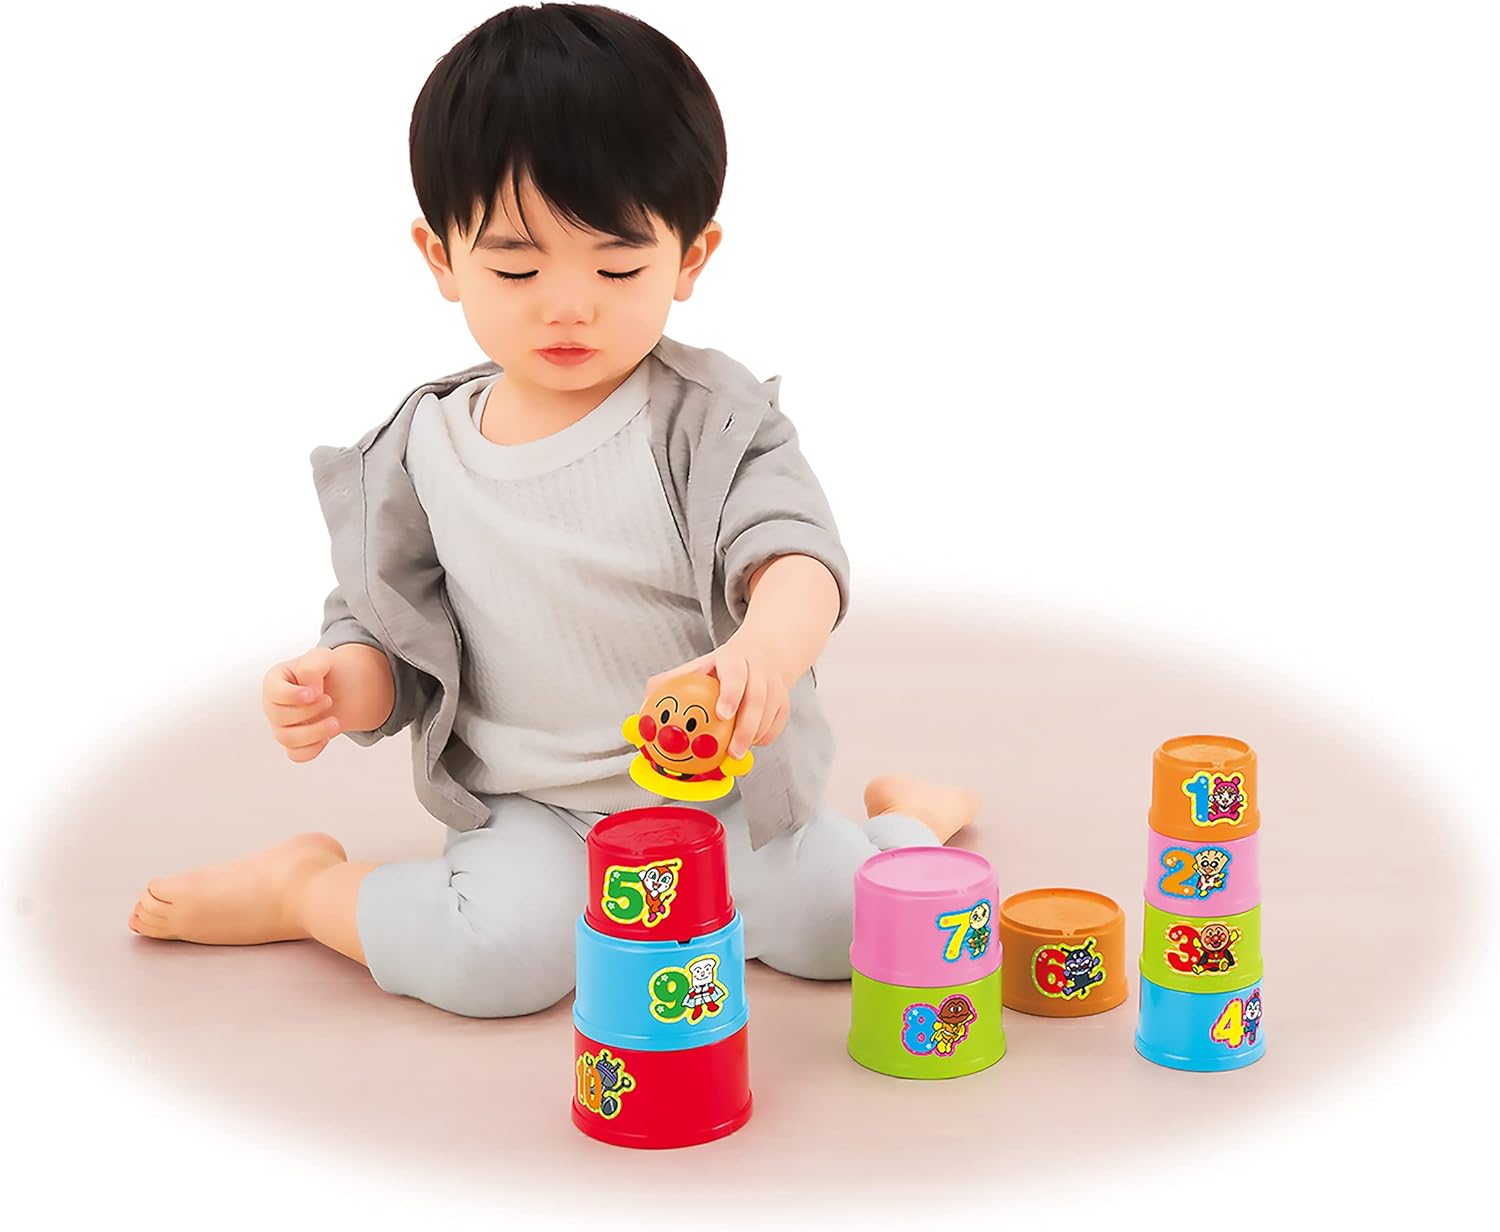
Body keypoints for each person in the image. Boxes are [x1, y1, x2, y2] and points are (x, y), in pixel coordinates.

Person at [128, 3, 978, 1017]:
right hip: (534, 810)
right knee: (492, 960)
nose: (568, 303)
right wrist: (341, 684)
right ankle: (304, 887)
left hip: (721, 798)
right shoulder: (419, 451)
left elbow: (793, 555)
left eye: (618, 267)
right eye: (516, 267)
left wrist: (766, 649)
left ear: (690, 258)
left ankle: (905, 825)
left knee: (849, 929)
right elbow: (391, 632)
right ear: (440, 257)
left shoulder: (708, 419)